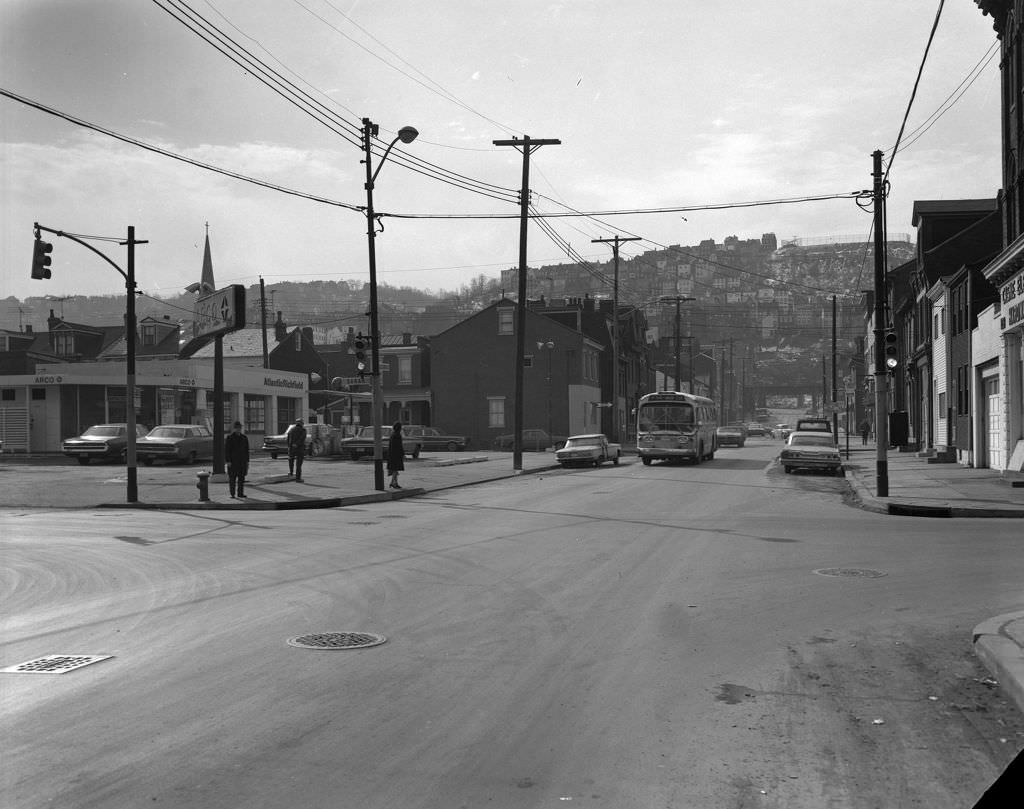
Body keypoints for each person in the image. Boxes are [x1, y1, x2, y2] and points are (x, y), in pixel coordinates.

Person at [224, 421, 250, 499]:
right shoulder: (230, 438)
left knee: (241, 478)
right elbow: (227, 450)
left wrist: (247, 461)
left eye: (240, 428)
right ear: (234, 429)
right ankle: (232, 494)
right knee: (232, 478)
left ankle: (240, 493)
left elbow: (246, 450)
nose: (238, 429)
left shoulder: (244, 438)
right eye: (237, 428)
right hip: (233, 462)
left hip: (242, 462)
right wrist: (228, 461)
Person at [387, 421, 405, 489]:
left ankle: (393, 483)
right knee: (395, 469)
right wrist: (402, 454)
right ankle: (394, 483)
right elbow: (399, 446)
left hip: (391, 455)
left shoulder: (392, 435)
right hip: (396, 455)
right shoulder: (398, 435)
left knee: (395, 470)